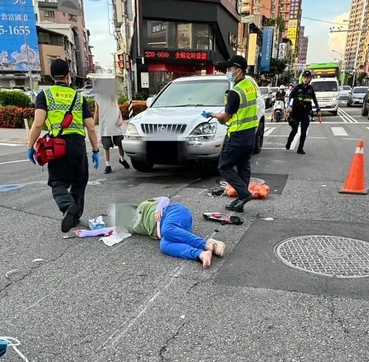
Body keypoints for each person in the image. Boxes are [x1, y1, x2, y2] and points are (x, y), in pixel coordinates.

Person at [27, 58, 101, 233]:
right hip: (78, 145)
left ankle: (68, 206)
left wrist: (30, 146)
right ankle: (74, 217)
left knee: (57, 182)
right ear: (68, 76)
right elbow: (91, 126)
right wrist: (95, 150)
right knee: (79, 182)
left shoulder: (45, 95)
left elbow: (38, 124)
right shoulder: (79, 97)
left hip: (58, 146)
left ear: (52, 76)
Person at [77, 197, 225, 268]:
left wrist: (159, 208)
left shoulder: (144, 204)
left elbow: (165, 199)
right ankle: (201, 254)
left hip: (175, 213)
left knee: (167, 230)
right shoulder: (129, 226)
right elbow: (108, 230)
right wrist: (86, 233)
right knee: (164, 246)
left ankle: (206, 244)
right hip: (174, 232)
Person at [204, 55, 259, 213]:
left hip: (237, 135)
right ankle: (241, 199)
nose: (227, 72)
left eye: (229, 69)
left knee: (224, 166)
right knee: (243, 166)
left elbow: (225, 117)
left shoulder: (235, 92)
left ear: (238, 71)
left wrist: (212, 114)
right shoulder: (250, 85)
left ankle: (244, 194)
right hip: (250, 134)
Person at [96, 87, 130, 174]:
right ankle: (108, 165)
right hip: (105, 126)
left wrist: (121, 119)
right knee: (106, 146)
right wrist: (92, 125)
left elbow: (118, 109)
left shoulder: (114, 96)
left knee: (120, 144)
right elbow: (96, 112)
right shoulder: (98, 97)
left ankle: (122, 159)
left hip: (115, 125)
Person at [286, 70, 320, 153]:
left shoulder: (310, 89)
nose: (306, 79)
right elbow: (290, 97)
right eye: (305, 77)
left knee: (304, 131)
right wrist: (289, 106)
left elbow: (314, 99)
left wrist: (318, 109)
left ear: (310, 79)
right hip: (296, 112)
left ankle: (300, 148)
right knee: (294, 130)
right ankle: (289, 142)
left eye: (307, 78)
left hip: (305, 112)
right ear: (302, 78)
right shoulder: (297, 87)